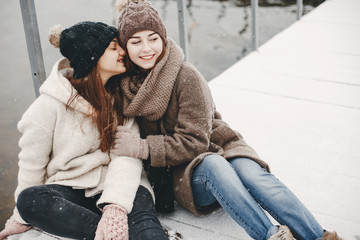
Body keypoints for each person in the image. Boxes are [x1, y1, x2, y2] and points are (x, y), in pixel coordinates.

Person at [110, 0, 344, 239]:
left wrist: (143, 147)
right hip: (184, 173)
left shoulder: (185, 76)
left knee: (253, 176)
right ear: (124, 46)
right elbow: (194, 152)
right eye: (136, 41)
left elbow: (194, 141)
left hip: (220, 145)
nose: (146, 48)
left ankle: (318, 236)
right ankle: (271, 236)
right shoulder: (123, 85)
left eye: (153, 38)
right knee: (214, 166)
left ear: (163, 38)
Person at [0, 21, 168, 240]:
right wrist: (19, 216)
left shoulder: (121, 96)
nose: (122, 51)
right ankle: (104, 233)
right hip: (72, 188)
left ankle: (118, 228)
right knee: (29, 200)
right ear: (93, 57)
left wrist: (115, 206)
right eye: (114, 47)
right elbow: (32, 165)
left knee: (147, 230)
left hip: (123, 185)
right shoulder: (47, 107)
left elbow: (126, 158)